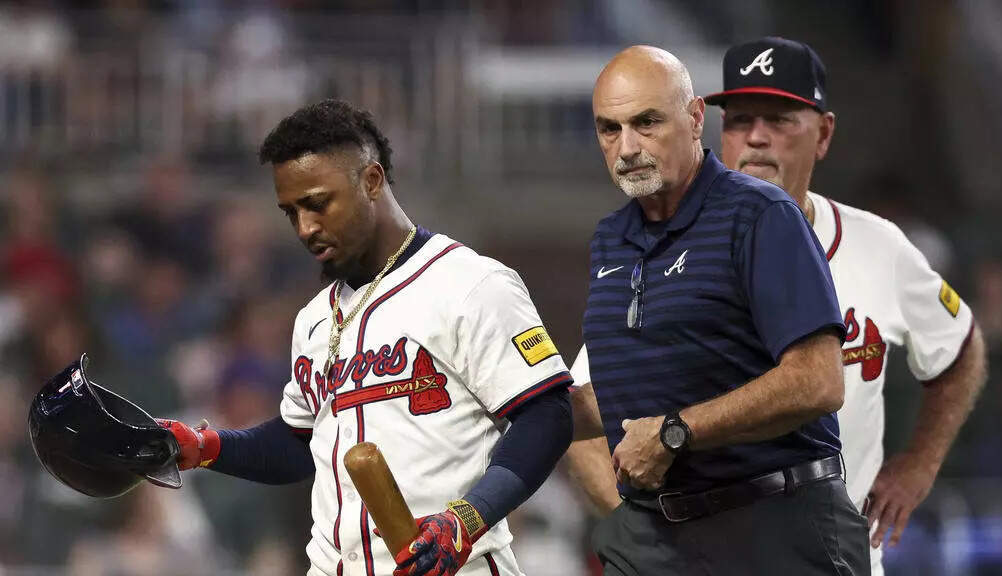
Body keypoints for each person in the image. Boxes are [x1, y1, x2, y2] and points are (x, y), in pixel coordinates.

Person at [157, 99, 574, 576]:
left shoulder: (471, 283)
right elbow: (299, 445)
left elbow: (547, 413)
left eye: (317, 203)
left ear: (371, 181)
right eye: (290, 213)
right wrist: (208, 446)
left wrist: (467, 519)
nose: (305, 227)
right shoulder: (314, 318)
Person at [566, 45, 870, 575]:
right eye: (609, 129)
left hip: (777, 530)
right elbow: (623, 394)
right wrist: (506, 408)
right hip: (656, 539)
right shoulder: (609, 240)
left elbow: (819, 381)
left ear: (695, 118)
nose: (627, 148)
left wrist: (674, 433)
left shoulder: (761, 215)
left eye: (647, 122)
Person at [706, 37, 986, 573]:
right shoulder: (670, 255)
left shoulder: (879, 247)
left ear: (824, 134)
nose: (757, 138)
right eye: (740, 120)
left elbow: (962, 346)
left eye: (781, 119)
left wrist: (920, 465)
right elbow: (582, 406)